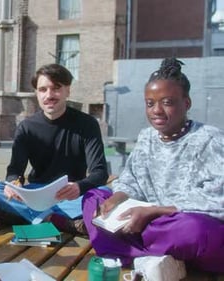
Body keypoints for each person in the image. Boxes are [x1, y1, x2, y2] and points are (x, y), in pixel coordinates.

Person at [82, 58, 224, 274]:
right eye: (150, 103)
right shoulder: (147, 137)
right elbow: (132, 180)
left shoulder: (209, 139)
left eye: (167, 102)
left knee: (194, 230)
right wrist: (117, 198)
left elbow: (217, 199)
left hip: (180, 223)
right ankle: (159, 260)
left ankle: (133, 254)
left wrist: (155, 211)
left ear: (186, 103)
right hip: (145, 222)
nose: (156, 110)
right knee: (94, 199)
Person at [0, 63, 109, 234]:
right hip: (36, 194)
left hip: (70, 195)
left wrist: (79, 186)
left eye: (56, 88)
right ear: (37, 93)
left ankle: (20, 215)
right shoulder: (27, 127)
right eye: (43, 89)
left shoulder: (87, 124)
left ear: (68, 91)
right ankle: (58, 221)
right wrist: (13, 183)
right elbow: (15, 170)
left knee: (105, 192)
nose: (49, 95)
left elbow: (100, 172)